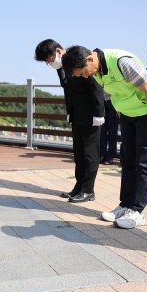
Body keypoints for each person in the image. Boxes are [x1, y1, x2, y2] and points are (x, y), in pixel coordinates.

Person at [61, 45, 147, 229]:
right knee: (126, 160)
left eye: (83, 72)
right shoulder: (97, 71)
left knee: (143, 162)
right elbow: (116, 93)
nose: (85, 76)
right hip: (128, 113)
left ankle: (137, 211)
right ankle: (125, 205)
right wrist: (120, 112)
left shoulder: (121, 62)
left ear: (89, 60)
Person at [34, 39, 105, 203]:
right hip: (77, 114)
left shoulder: (78, 58)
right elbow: (69, 91)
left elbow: (96, 86)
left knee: (90, 154)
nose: (50, 64)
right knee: (79, 154)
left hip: (91, 114)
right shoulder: (61, 67)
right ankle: (79, 187)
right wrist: (69, 112)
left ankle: (88, 190)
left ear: (58, 51)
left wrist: (98, 114)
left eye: (49, 60)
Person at [99, 90, 118, 165]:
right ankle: (102, 154)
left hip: (113, 101)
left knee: (112, 131)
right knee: (102, 131)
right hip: (101, 101)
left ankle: (111, 155)